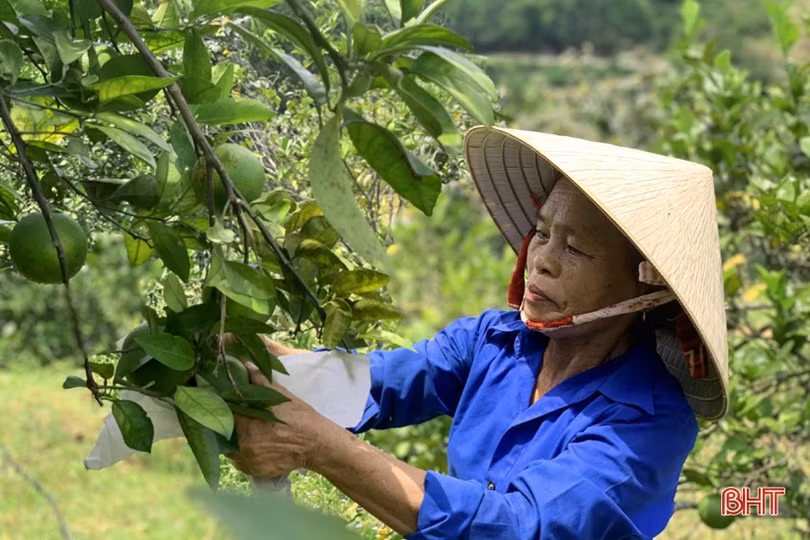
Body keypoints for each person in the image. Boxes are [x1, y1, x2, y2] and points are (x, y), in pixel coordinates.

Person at [227, 127, 729, 539]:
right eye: (544, 233)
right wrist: (271, 361)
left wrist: (321, 448)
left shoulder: (648, 420)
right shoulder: (498, 342)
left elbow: (517, 528)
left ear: (643, 285)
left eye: (575, 250)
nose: (542, 260)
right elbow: (382, 385)